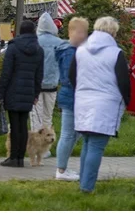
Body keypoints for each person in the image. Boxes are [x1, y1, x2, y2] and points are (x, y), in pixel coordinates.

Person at [70, 17, 131, 193]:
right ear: (113, 32)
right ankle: (87, 187)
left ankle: (84, 182)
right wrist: (127, 100)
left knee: (87, 143)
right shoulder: (116, 53)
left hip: (83, 102)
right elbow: (123, 82)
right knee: (96, 146)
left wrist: (81, 92)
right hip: (105, 104)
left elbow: (71, 75)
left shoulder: (81, 50)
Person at [0, 20, 44, 168]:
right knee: (23, 125)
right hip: (28, 91)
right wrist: (36, 94)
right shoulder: (39, 50)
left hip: (12, 91)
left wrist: (0, 92)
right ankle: (20, 158)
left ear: (20, 31)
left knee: (15, 125)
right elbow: (39, 75)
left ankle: (13, 158)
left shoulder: (13, 47)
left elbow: (6, 72)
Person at [55, 16, 89, 181]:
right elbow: (70, 78)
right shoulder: (70, 52)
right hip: (72, 96)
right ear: (72, 32)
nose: (84, 36)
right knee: (68, 134)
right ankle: (61, 170)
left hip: (76, 96)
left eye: (85, 33)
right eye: (81, 32)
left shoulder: (75, 50)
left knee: (75, 134)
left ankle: (63, 168)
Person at [32, 13, 65, 135]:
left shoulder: (35, 41)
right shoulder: (60, 43)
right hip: (52, 85)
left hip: (36, 85)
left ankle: (36, 145)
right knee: (47, 116)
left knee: (36, 117)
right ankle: (46, 146)